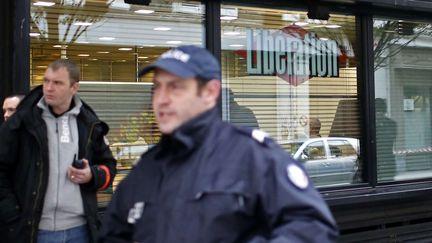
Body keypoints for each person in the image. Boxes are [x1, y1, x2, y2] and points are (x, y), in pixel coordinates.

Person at [99, 45, 338, 242]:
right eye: (157, 88)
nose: (161, 99)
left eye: (175, 87)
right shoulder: (146, 168)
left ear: (210, 92)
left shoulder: (252, 156)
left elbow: (312, 229)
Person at [0, 59, 117, 243]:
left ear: (74, 87)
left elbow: (109, 166)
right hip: (35, 231)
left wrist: (91, 175)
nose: (48, 88)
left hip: (80, 231)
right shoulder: (23, 121)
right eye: (46, 81)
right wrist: (13, 215)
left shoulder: (89, 123)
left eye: (57, 82)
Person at [375, 98, 397, 180]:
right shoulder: (392, 123)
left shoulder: (391, 124)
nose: (378, 114)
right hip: (380, 164)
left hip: (386, 164)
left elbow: (390, 140)